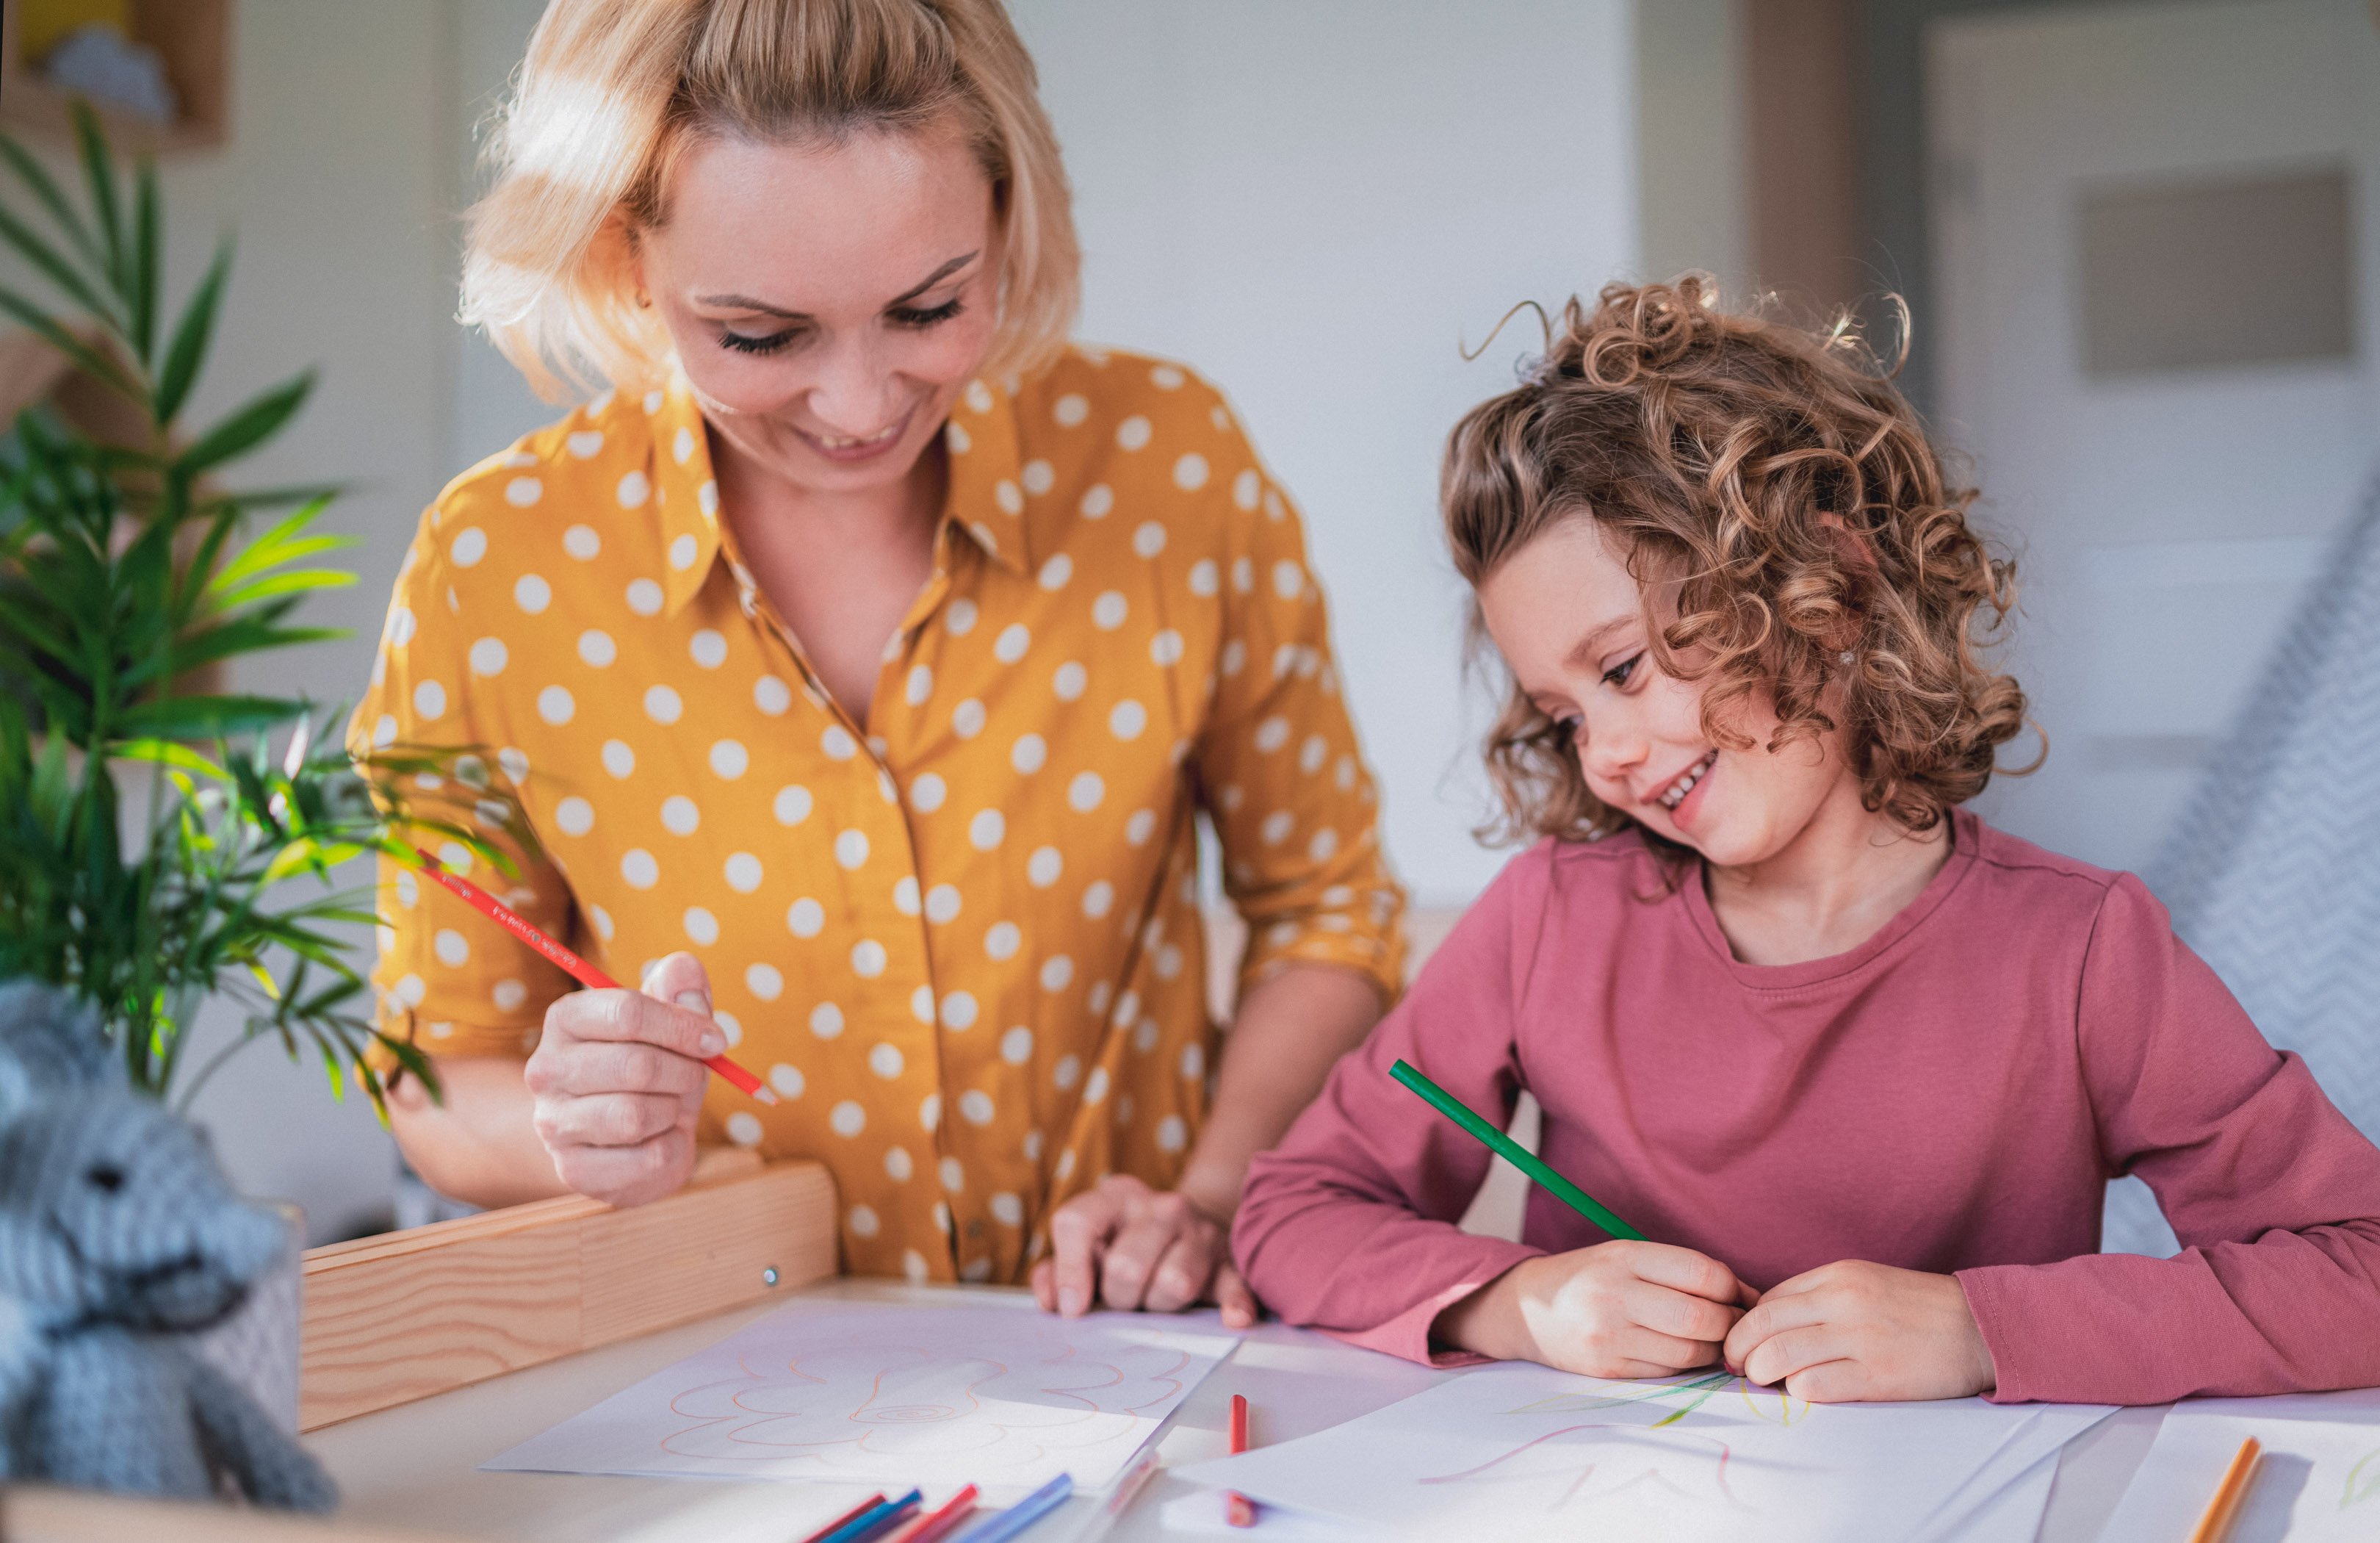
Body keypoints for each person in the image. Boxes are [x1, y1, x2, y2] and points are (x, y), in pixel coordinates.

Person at [353, 0, 1404, 1321]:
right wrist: (568, 1125)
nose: (859, 408)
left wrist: (1201, 1200)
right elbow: (439, 1070)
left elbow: (1327, 914)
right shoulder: (498, 565)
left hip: (1136, 1341)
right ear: (622, 257)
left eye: (929, 308)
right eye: (758, 335)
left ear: (1010, 218)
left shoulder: (1165, 467)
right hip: (730, 1378)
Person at [1231, 279, 2380, 1405]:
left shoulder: (2083, 950)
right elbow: (1291, 1212)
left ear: (1829, 586)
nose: (1606, 755)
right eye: (1564, 717)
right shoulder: (1546, 921)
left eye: (1624, 669)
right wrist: (1519, 1303)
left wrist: (1983, 1332)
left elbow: (2360, 1268)